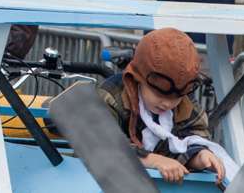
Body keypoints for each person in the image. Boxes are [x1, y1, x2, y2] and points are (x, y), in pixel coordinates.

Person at [82, 28, 232, 184]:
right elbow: (99, 145)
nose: (167, 103)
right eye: (159, 94)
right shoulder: (111, 96)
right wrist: (153, 160)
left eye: (176, 98)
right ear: (138, 78)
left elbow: (191, 136)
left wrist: (200, 156)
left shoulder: (184, 104)